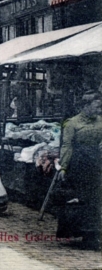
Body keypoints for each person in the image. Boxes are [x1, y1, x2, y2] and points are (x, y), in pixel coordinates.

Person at [56, 91, 102, 250]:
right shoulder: (72, 123)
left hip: (96, 164)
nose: (99, 109)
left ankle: (92, 236)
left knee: (95, 200)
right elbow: (66, 145)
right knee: (80, 199)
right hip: (78, 164)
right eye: (96, 106)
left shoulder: (101, 121)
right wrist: (63, 166)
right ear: (86, 106)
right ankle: (79, 233)